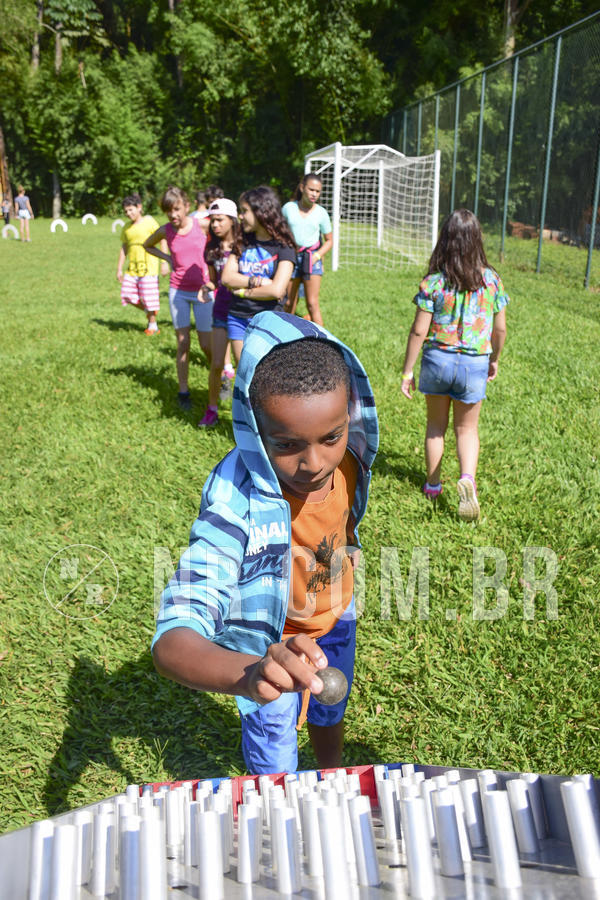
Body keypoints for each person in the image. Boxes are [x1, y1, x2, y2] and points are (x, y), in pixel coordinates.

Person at [152, 310, 379, 774]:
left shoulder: (350, 460)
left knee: (331, 707)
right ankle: (281, 811)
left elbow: (343, 525)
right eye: (287, 445)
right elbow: (172, 640)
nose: (314, 463)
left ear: (348, 416)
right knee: (274, 746)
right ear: (254, 428)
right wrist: (252, 672)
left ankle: (331, 772)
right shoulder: (236, 499)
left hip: (337, 615)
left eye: (330, 437)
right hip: (270, 645)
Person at [400, 208, 508, 521]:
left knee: (436, 427)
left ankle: (433, 485)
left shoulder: (433, 283)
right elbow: (500, 329)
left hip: (437, 361)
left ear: (444, 240)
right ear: (478, 240)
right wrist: (494, 358)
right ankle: (467, 479)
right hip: (474, 363)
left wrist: (408, 371)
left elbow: (419, 330)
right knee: (467, 429)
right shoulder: (491, 281)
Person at [144, 187, 213, 410]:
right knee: (183, 342)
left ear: (186, 206)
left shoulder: (201, 225)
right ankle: (183, 391)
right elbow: (147, 245)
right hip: (178, 292)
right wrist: (167, 258)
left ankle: (219, 379)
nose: (173, 216)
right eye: (168, 212)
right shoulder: (165, 230)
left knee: (206, 344)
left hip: (203, 291)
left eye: (176, 210)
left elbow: (222, 237)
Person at [221, 186, 296, 364]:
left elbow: (277, 290)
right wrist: (259, 281)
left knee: (265, 376)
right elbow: (226, 277)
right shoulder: (243, 240)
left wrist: (241, 291)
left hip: (268, 319)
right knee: (245, 371)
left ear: (260, 211)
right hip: (237, 317)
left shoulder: (284, 246)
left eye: (244, 211)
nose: (240, 216)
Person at [197, 197, 240, 428]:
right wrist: (207, 287)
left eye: (219, 220)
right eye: (212, 220)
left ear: (232, 220)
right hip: (221, 310)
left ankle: (247, 413)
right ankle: (212, 409)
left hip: (244, 312)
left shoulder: (244, 245)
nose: (215, 225)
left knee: (243, 365)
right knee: (216, 363)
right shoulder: (212, 248)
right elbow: (214, 281)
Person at [282, 173, 333, 326]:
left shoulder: (321, 213)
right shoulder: (288, 208)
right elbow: (279, 232)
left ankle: (325, 344)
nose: (314, 194)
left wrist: (317, 256)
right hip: (291, 259)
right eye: (311, 190)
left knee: (312, 303)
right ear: (302, 187)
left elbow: (329, 241)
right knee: (289, 302)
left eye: (317, 191)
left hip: (312, 259)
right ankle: (286, 338)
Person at [116, 193, 168, 335]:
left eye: (131, 209)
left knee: (148, 297)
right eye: (126, 211)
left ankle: (153, 325)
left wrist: (164, 261)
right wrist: (119, 268)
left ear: (139, 207)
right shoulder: (126, 227)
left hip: (148, 268)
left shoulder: (149, 222)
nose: (128, 213)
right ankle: (148, 311)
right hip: (132, 268)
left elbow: (162, 239)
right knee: (126, 294)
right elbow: (124, 247)